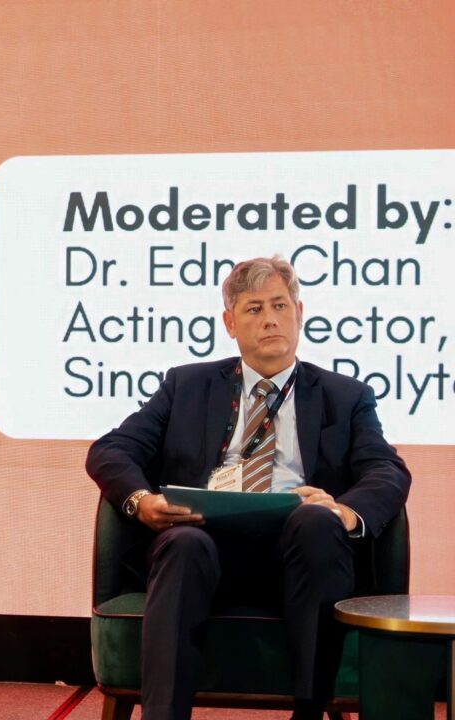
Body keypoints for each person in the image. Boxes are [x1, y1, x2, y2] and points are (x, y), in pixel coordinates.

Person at [86, 256, 410, 720]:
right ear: (230, 323)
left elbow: (387, 470)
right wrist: (142, 502)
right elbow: (112, 449)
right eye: (254, 309)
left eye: (280, 305)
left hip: (300, 555)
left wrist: (341, 510)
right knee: (182, 544)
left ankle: (308, 713)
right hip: (206, 547)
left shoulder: (345, 396)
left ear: (299, 313)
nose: (270, 319)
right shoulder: (186, 385)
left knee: (316, 523)